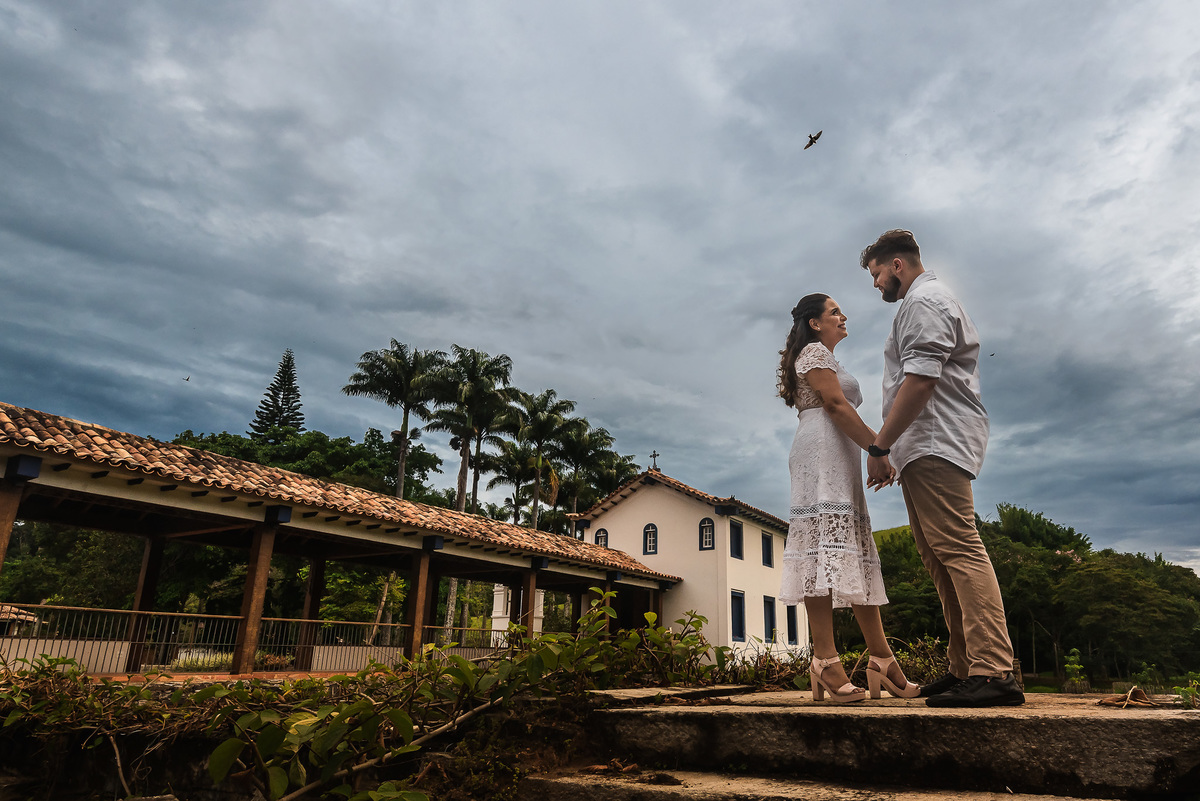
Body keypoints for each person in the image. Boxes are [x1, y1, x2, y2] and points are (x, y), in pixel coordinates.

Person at [860, 229, 1024, 708]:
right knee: (937, 556)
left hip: (936, 439)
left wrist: (879, 445)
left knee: (957, 545)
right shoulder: (921, 302)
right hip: (924, 443)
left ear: (896, 265)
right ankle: (963, 668)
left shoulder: (924, 301)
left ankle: (993, 669)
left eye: (875, 273)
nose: (875, 285)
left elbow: (921, 380)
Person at [777, 293, 920, 703]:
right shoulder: (813, 352)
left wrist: (872, 450)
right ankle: (825, 659)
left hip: (839, 455)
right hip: (820, 453)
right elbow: (836, 406)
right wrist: (879, 449)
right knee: (819, 552)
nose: (843, 316)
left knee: (849, 551)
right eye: (834, 311)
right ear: (815, 322)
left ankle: (881, 657)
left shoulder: (828, 356)